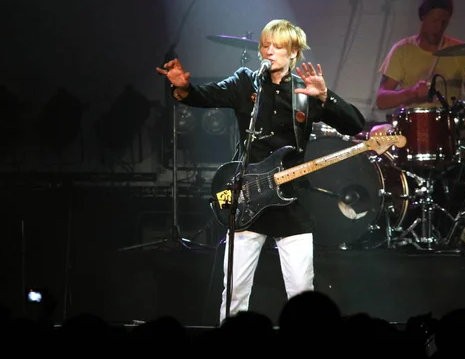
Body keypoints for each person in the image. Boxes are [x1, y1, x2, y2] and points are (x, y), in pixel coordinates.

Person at [156, 19, 365, 323]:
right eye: (265, 45)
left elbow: (356, 125)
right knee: (236, 290)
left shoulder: (304, 91)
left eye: (276, 46)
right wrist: (184, 88)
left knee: (302, 291)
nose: (268, 51)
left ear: (293, 52)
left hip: (290, 199)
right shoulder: (246, 83)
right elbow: (206, 96)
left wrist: (324, 96)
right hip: (247, 197)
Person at [374, 0, 465, 246]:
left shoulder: (460, 52)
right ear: (423, 17)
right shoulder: (402, 50)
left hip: (448, 128)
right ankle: (390, 217)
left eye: (445, 21)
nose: (440, 26)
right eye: (436, 20)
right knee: (376, 137)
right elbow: (382, 99)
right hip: (409, 130)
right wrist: (411, 93)